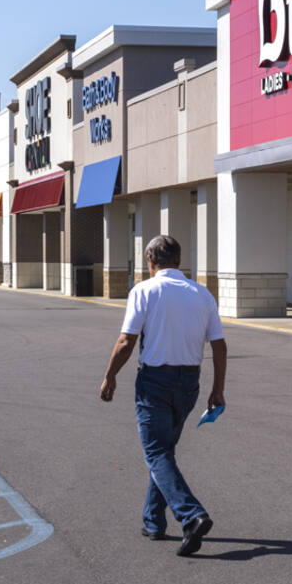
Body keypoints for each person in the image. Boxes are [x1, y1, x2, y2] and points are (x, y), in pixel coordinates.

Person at [99, 234, 225, 557]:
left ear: (151, 260)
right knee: (163, 452)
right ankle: (153, 521)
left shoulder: (145, 290)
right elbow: (219, 345)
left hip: (155, 381)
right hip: (189, 383)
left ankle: (191, 515)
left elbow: (126, 341)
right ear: (178, 261)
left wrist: (110, 376)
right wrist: (218, 389)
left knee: (156, 453)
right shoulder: (202, 294)